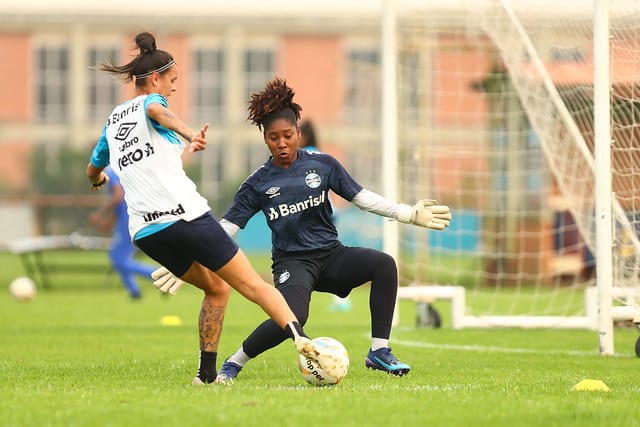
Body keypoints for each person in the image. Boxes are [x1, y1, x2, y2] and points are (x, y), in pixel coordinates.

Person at [155, 77, 451, 383]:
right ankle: (234, 362)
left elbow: (361, 198)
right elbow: (226, 228)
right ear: (265, 139)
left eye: (287, 135)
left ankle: (379, 351)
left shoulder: (323, 165)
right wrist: (189, 261)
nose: (282, 143)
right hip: (293, 264)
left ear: (299, 132)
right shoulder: (258, 182)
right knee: (294, 318)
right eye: (273, 138)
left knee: (384, 264)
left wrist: (409, 213)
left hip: (331, 255)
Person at [85, 32, 336, 385]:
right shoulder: (151, 104)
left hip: (146, 233)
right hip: (187, 216)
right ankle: (301, 339)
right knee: (253, 285)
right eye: (172, 81)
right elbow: (157, 110)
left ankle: (205, 376)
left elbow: (94, 167)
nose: (174, 88)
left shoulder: (112, 122)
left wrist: (96, 180)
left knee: (217, 287)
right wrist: (191, 135)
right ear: (155, 79)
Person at [298, 119, 352, 312]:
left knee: (314, 257)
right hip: (328, 212)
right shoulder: (321, 155)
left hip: (316, 214)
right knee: (326, 256)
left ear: (302, 136)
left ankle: (339, 299)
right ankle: (340, 299)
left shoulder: (305, 156)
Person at [88, 166, 156, 299]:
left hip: (129, 220)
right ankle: (134, 291)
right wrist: (110, 221)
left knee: (119, 259)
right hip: (129, 218)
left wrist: (101, 213)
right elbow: (123, 200)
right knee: (118, 257)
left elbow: (119, 196)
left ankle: (158, 275)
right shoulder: (121, 168)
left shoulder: (110, 171)